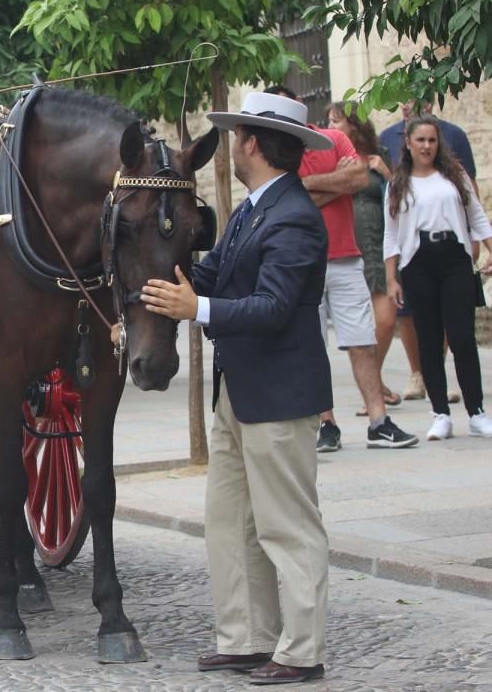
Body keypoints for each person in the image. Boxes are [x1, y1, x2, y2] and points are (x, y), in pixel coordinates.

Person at [140, 91, 331, 685]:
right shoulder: (253, 209)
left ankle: (301, 652)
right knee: (231, 523)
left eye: (236, 137)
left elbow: (272, 307)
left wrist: (196, 309)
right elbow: (211, 275)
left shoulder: (295, 217)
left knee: (287, 526)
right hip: (239, 391)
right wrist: (147, 282)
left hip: (278, 393)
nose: (231, 146)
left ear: (253, 143)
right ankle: (247, 637)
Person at [265, 86, 414, 452]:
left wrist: (305, 187)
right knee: (311, 345)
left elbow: (360, 179)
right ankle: (326, 423)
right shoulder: (274, 153)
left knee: (361, 341)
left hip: (346, 256)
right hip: (302, 264)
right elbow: (282, 195)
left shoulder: (331, 139)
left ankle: (379, 421)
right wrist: (336, 185)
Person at [384, 116, 492, 440]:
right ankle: (440, 413)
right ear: (409, 143)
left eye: (432, 140)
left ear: (438, 143)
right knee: (428, 341)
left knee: (461, 337)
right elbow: (391, 235)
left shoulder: (454, 175)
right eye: (420, 140)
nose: (426, 146)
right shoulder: (398, 183)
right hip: (418, 263)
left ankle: (477, 412)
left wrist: (489, 248)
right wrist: (392, 278)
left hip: (455, 259)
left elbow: (477, 215)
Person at [326, 102, 401, 414]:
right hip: (347, 247)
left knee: (386, 320)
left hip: (378, 246)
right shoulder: (331, 158)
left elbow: (402, 196)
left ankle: (376, 377)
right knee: (359, 329)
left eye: (335, 120)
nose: (330, 125)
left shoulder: (377, 153)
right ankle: (374, 393)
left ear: (353, 125)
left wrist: (387, 173)